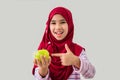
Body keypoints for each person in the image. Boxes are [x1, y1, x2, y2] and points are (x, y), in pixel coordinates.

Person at [32, 6, 96, 80]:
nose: (58, 27)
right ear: (48, 26)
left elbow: (91, 73)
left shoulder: (77, 50)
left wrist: (75, 61)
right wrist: (43, 69)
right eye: (53, 23)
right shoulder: (43, 50)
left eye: (62, 22)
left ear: (70, 24)